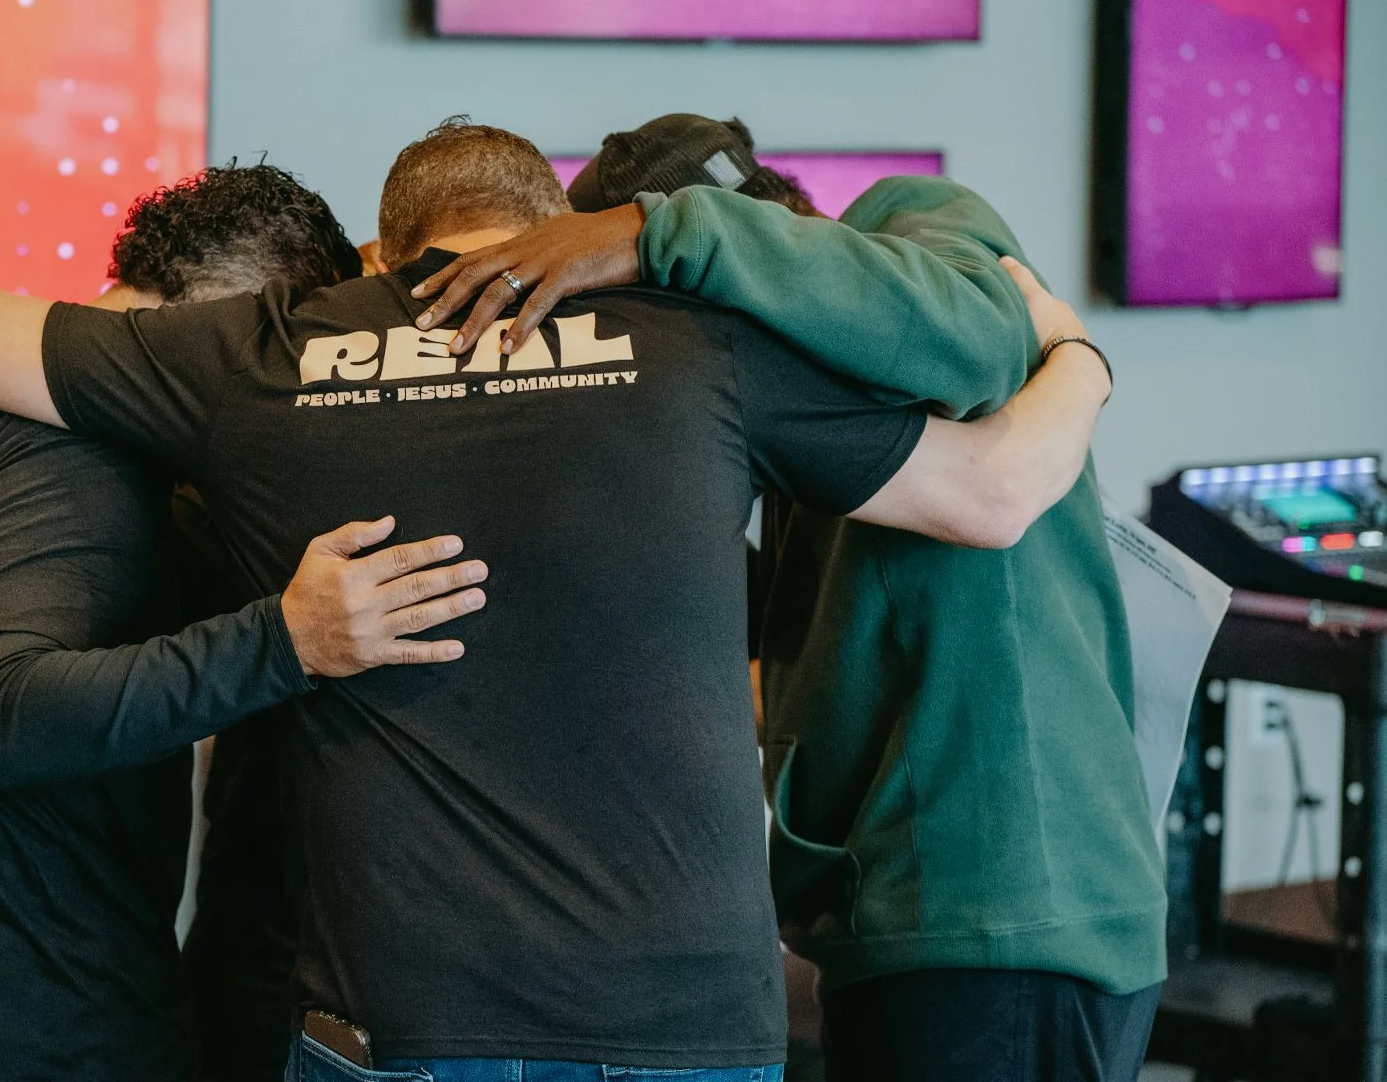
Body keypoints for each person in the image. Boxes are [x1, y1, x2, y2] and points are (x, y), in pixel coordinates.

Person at [0, 117, 1113, 1082]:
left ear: (385, 255)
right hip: (685, 1028)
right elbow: (996, 492)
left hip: (401, 1022)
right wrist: (1079, 358)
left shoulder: (275, 349)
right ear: (558, 232)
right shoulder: (703, 341)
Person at [413, 114, 1164, 1082]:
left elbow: (979, 342)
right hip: (912, 926)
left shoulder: (912, 218)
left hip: (995, 918)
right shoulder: (802, 421)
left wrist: (654, 233)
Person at [0, 164, 490, 1082]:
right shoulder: (83, 446)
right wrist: (286, 641)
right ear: (225, 321)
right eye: (262, 359)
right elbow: (3, 715)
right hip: (34, 1024)